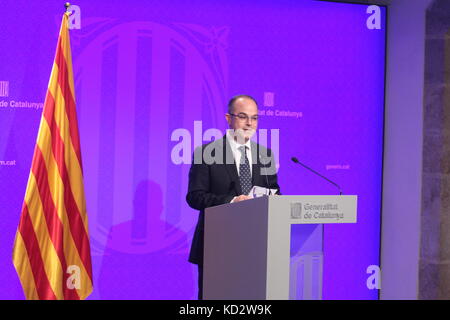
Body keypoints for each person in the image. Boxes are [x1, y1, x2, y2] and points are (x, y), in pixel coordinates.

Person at [186, 94, 281, 299]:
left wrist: (273, 201)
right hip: (217, 246)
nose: (249, 123)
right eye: (243, 117)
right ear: (228, 118)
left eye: (254, 118)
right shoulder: (206, 153)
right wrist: (232, 202)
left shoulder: (265, 155)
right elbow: (195, 197)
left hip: (256, 246)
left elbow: (275, 192)